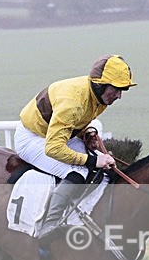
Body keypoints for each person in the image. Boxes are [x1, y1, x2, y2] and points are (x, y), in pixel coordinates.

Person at [14, 54, 136, 245]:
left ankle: (76, 213)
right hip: (34, 139)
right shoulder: (73, 102)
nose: (119, 96)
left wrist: (85, 134)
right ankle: (49, 225)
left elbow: (76, 122)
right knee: (78, 171)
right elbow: (53, 148)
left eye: (123, 90)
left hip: (55, 134)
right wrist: (93, 160)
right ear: (100, 84)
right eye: (117, 89)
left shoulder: (99, 97)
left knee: (99, 170)